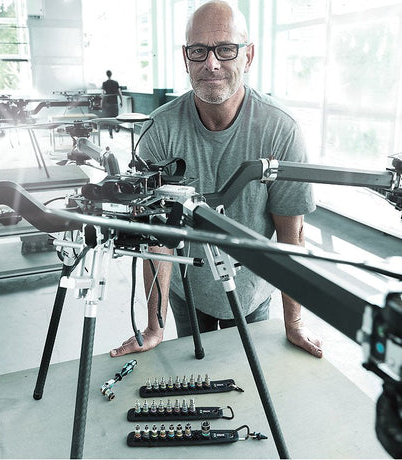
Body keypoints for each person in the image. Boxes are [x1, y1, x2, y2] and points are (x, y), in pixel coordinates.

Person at [110, 0, 323, 359]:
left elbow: (291, 236)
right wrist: (154, 327)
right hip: (187, 290)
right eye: (199, 51)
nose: (211, 63)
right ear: (186, 58)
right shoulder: (159, 130)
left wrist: (295, 322)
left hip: (253, 290)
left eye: (225, 49)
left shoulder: (280, 129)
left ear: (248, 56)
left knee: (248, 372)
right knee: (196, 368)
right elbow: (157, 239)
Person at [101, 70, 123, 138]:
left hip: (108, 103)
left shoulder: (104, 83)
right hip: (114, 102)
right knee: (116, 116)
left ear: (106, 74)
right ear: (111, 74)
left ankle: (110, 132)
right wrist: (121, 101)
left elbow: (103, 94)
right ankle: (117, 126)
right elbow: (119, 92)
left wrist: (102, 103)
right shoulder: (115, 83)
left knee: (109, 118)